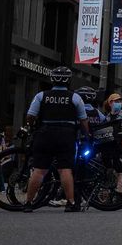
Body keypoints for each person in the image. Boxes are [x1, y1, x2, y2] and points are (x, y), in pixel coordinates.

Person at [23, 66, 90, 212]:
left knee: (39, 170)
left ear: (52, 79)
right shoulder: (75, 97)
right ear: (69, 80)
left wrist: (32, 126)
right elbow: (83, 120)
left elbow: (30, 116)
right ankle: (71, 203)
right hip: (66, 135)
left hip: (44, 133)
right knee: (65, 170)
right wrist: (86, 135)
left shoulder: (41, 96)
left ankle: (28, 203)